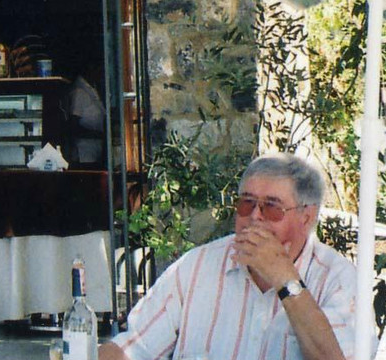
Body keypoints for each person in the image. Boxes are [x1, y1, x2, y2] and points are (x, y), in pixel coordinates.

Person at [100, 153, 372, 360]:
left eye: (272, 207)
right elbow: (135, 346)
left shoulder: (339, 280)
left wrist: (285, 279)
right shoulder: (197, 266)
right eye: (246, 203)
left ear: (306, 217)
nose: (255, 216)